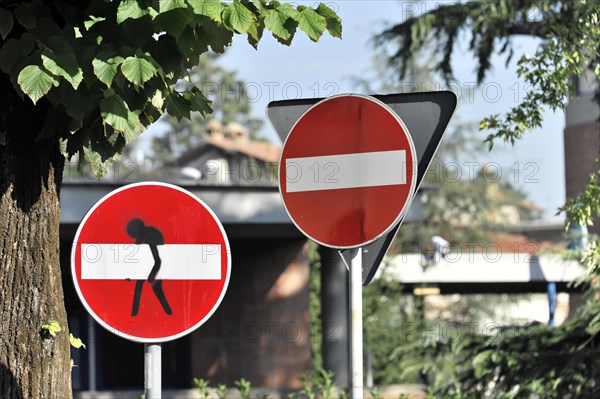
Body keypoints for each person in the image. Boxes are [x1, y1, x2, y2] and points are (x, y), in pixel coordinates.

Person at [126, 219, 172, 316]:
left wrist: (152, 274)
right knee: (140, 285)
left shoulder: (150, 238)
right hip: (150, 265)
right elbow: (136, 253)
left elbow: (158, 261)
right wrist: (129, 274)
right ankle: (134, 314)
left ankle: (169, 313)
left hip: (159, 267)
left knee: (157, 288)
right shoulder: (142, 236)